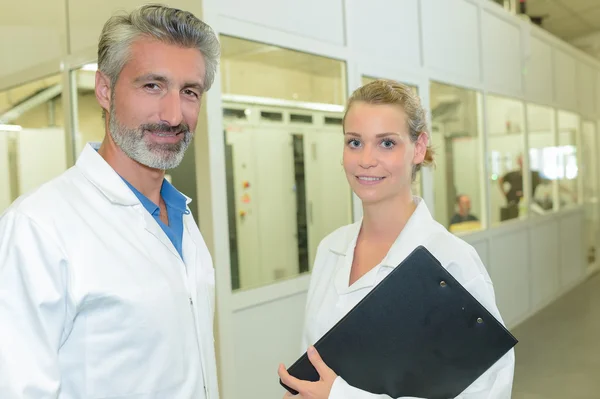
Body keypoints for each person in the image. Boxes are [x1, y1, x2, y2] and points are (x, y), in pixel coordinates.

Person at [0, 5, 220, 398]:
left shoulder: (180, 216)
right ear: (105, 90)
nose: (173, 115)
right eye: (152, 85)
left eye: (190, 92)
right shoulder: (39, 227)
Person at [278, 80, 514, 398]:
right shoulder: (331, 249)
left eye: (386, 143)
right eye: (354, 142)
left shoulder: (451, 260)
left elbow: (487, 392)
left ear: (418, 147)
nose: (366, 159)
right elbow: (317, 365)